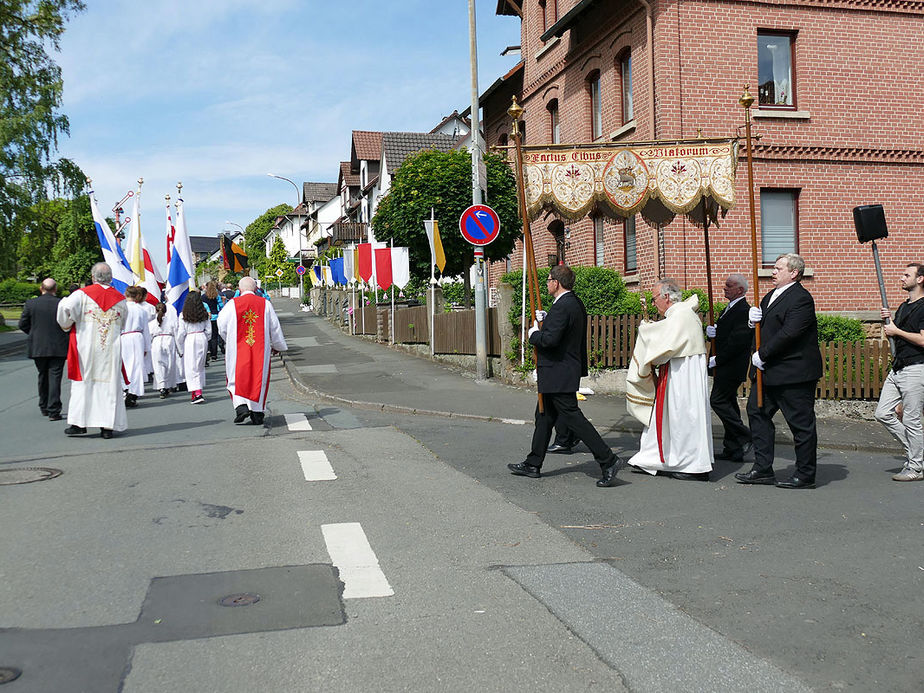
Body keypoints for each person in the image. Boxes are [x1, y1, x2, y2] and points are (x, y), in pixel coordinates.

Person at [507, 265, 625, 487]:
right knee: (543, 416)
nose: (547, 283)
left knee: (573, 418)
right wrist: (548, 318)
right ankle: (533, 463)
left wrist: (534, 334)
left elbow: (550, 341)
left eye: (549, 280)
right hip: (561, 371)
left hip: (558, 372)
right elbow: (562, 331)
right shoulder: (572, 303)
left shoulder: (563, 307)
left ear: (557, 283)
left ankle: (608, 460)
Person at [737, 253, 823, 489]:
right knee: (757, 414)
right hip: (768, 373)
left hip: (793, 373)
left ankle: (805, 474)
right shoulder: (769, 296)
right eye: (773, 268)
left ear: (794, 272)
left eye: (777, 268)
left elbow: (790, 333)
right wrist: (751, 321)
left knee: (800, 424)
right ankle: (763, 468)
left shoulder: (801, 299)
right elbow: (764, 329)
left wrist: (762, 354)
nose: (772, 272)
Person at [625, 279, 713, 481]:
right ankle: (660, 459)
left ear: (666, 297)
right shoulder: (679, 314)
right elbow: (666, 336)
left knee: (684, 418)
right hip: (677, 371)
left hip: (684, 376)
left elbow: (664, 344)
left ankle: (692, 466)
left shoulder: (681, 314)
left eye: (654, 298)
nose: (653, 303)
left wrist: (646, 330)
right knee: (672, 417)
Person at [56, 262, 127, 439]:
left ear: (93, 277)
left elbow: (64, 310)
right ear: (110, 278)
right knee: (109, 387)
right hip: (110, 348)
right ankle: (107, 427)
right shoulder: (121, 299)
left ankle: (80, 424)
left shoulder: (81, 295)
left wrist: (67, 324)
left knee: (84, 385)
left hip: (86, 348)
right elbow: (123, 324)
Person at [874, 263, 924, 482]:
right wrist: (889, 324)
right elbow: (895, 338)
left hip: (916, 367)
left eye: (907, 275)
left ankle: (916, 467)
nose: (901, 278)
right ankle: (918, 453)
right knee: (883, 413)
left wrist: (896, 330)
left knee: (912, 419)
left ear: (920, 279)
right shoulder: (904, 307)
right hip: (898, 367)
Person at [217, 276, 287, 425]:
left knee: (236, 375)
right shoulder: (265, 304)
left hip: (237, 346)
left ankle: (241, 406)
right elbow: (274, 327)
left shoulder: (231, 305)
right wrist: (277, 345)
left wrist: (228, 339)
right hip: (260, 348)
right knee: (258, 377)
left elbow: (221, 325)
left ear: (239, 289)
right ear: (255, 289)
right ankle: (257, 412)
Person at [705, 273, 753, 462]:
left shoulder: (743, 310)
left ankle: (744, 435)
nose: (725, 287)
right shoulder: (730, 307)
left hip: (731, 366)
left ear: (740, 290)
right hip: (724, 364)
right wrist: (712, 334)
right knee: (730, 404)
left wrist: (719, 359)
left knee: (717, 400)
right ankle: (733, 447)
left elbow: (738, 340)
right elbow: (726, 334)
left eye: (729, 285)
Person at [18, 278, 69, 420]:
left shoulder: (31, 304)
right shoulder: (61, 304)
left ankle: (44, 405)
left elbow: (22, 324)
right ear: (55, 289)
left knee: (42, 375)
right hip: (58, 345)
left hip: (38, 345)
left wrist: (33, 333)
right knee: (55, 377)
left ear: (41, 288)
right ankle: (54, 409)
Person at [176, 291, 210, 404]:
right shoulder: (204, 314)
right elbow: (209, 331)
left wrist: (180, 348)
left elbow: (181, 333)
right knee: (199, 366)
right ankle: (197, 390)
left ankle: (197, 392)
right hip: (202, 337)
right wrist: (205, 339)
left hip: (190, 339)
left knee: (191, 367)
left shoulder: (183, 315)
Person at [121, 286, 150, 408]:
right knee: (137, 366)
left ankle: (125, 389)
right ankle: (133, 394)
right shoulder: (141, 310)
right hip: (137, 337)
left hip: (123, 337)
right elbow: (146, 330)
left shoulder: (121, 308)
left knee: (125, 365)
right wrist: (146, 347)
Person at [149, 301, 179, 398]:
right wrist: (180, 350)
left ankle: (162, 386)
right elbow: (177, 336)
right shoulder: (172, 322)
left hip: (157, 342)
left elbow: (149, 336)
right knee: (170, 364)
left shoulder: (152, 323)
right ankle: (167, 385)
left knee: (158, 365)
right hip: (169, 341)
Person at [202, 280, 225, 364]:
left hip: (207, 317)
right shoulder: (217, 296)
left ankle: (209, 351)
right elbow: (221, 306)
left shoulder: (203, 297)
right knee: (215, 336)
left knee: (208, 336)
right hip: (216, 316)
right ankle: (214, 355)